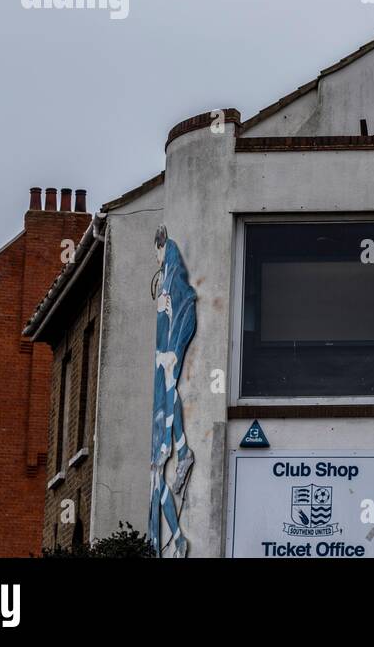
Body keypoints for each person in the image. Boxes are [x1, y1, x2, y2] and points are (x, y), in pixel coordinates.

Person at [149, 226, 197, 557]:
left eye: (156, 252)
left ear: (162, 248)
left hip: (171, 353)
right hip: (165, 359)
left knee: (170, 381)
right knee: (156, 479)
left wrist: (172, 352)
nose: (156, 258)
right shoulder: (167, 281)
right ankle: (176, 539)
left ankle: (183, 450)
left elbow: (185, 308)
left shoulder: (175, 282)